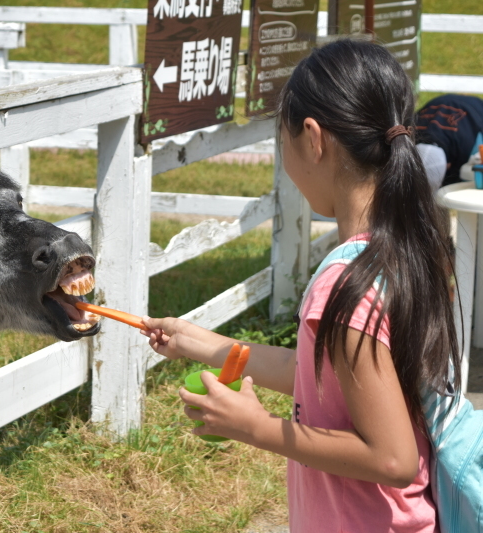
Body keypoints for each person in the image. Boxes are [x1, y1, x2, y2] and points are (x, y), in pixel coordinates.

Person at [142, 39, 459, 532]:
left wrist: (258, 428)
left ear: (313, 138)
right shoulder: (405, 249)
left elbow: (393, 458)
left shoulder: (344, 281)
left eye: (282, 140)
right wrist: (199, 343)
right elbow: (322, 376)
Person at [415, 93, 483, 189]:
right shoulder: (408, 136)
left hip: (474, 111)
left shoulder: (468, 145)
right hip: (439, 103)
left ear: (448, 165)